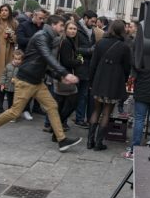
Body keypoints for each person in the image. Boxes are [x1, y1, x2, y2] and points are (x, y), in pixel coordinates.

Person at [0, 15, 82, 151]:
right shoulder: (41, 37)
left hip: (37, 81)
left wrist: (59, 77)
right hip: (26, 80)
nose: (63, 29)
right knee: (15, 112)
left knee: (52, 106)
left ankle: (61, 140)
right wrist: (65, 73)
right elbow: (47, 57)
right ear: (53, 25)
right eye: (61, 25)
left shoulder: (50, 38)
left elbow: (44, 64)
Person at [88, 19, 131, 151]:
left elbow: (93, 64)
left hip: (99, 80)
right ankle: (99, 143)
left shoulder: (100, 43)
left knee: (96, 110)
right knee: (107, 112)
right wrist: (123, 80)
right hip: (114, 82)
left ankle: (90, 141)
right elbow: (127, 68)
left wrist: (91, 81)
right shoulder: (124, 47)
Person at [52, 20, 81, 134]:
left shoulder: (68, 41)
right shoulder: (66, 42)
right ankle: (57, 126)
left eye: (74, 29)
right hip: (65, 76)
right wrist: (78, 61)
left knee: (62, 104)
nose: (73, 31)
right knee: (71, 103)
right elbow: (66, 61)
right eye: (70, 28)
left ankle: (56, 129)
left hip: (64, 76)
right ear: (65, 29)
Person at [74, 10, 97, 127]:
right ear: (85, 18)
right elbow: (75, 48)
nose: (94, 24)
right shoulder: (76, 29)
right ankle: (76, 118)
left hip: (88, 68)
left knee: (83, 95)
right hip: (78, 67)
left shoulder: (91, 31)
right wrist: (89, 51)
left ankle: (80, 118)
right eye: (92, 21)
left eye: (95, 22)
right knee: (75, 95)